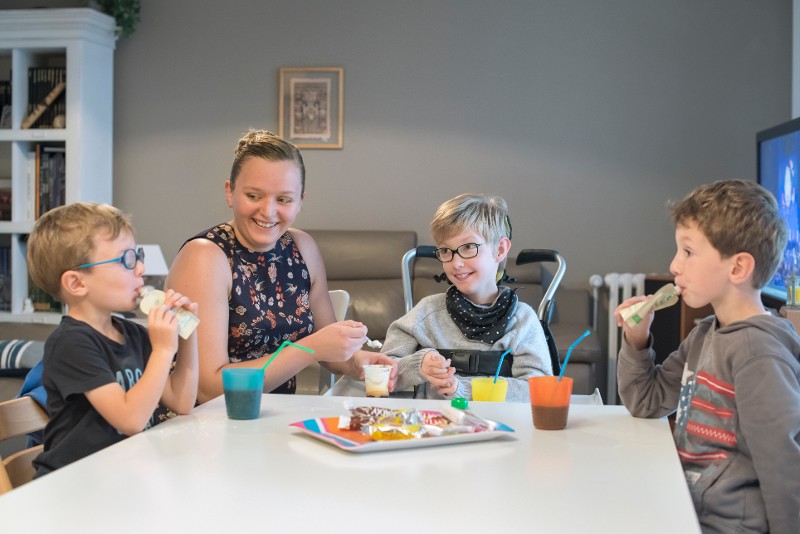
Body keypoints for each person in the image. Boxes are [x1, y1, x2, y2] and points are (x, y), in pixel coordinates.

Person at [615, 180, 800, 533]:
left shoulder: (758, 354)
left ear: (737, 268)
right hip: (687, 509)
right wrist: (636, 339)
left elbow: (784, 469)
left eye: (688, 251)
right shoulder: (705, 334)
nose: (674, 265)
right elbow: (646, 400)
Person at [165, 130, 397, 403]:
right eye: (253, 196)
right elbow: (207, 389)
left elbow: (328, 350)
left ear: (300, 201)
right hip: (203, 424)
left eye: (284, 199)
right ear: (230, 193)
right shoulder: (205, 257)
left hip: (272, 416)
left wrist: (358, 362)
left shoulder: (303, 248)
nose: (268, 211)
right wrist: (308, 348)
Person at [27, 202, 199, 476]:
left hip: (121, 475)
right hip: (74, 485)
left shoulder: (130, 333)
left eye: (137, 255)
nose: (141, 267)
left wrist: (186, 331)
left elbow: (182, 401)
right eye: (126, 260)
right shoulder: (71, 343)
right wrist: (163, 350)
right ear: (77, 283)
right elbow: (130, 420)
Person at [381, 194, 552, 401]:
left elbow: (539, 389)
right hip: (434, 427)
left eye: (469, 247)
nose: (456, 263)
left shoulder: (522, 321)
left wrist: (464, 389)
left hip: (503, 426)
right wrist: (418, 365)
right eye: (446, 251)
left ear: (499, 250)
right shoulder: (426, 313)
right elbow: (381, 373)